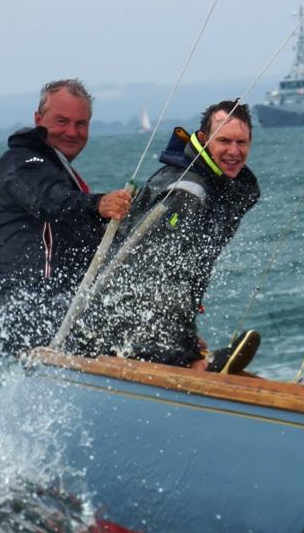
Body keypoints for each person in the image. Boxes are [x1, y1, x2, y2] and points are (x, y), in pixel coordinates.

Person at [70, 100, 261, 373]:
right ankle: (195, 364)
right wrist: (181, 345)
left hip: (132, 319)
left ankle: (190, 358)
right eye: (224, 141)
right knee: (189, 357)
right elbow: (158, 276)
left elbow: (185, 274)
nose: (234, 151)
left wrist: (186, 332)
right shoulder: (189, 192)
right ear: (205, 140)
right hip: (116, 321)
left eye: (241, 142)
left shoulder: (214, 186)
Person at [0, 78, 131, 356]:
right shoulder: (22, 164)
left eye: (81, 124)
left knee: (133, 318)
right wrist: (98, 204)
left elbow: (83, 239)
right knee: (120, 328)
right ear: (38, 119)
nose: (71, 131)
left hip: (45, 305)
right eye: (61, 121)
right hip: (14, 309)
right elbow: (51, 200)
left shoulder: (55, 172)